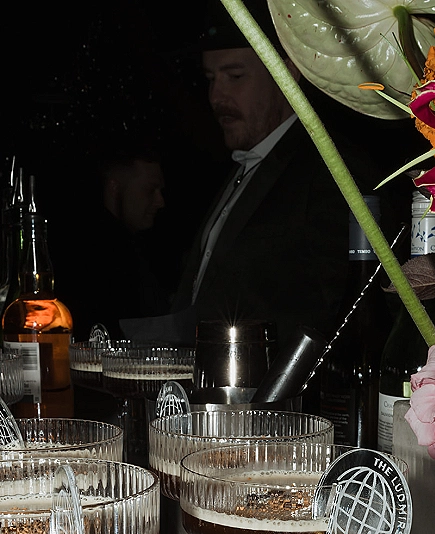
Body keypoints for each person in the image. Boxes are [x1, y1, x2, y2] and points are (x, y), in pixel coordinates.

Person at [120, 0, 397, 349]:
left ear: (288, 73)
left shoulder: (331, 169)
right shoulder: (243, 168)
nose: (216, 95)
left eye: (235, 76)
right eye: (210, 79)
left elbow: (349, 314)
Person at [57, 147, 170, 341]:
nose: (160, 201)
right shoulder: (96, 252)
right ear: (114, 186)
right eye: (150, 190)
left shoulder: (136, 245)